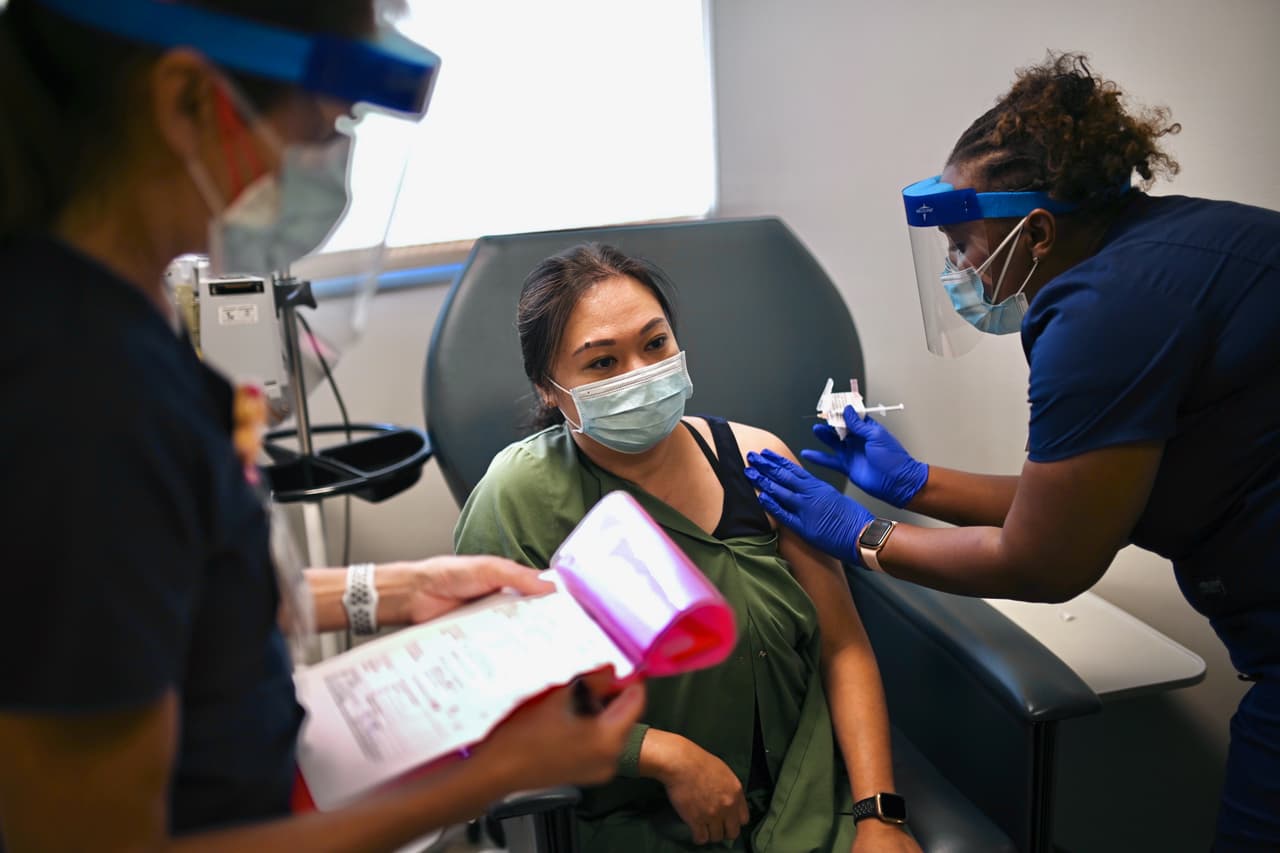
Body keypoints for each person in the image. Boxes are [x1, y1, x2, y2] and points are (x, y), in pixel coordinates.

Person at [0, 1, 644, 850]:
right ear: (189, 102)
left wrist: (398, 589)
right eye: (329, 120)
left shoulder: (107, 318)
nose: (332, 155)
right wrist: (487, 774)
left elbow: (153, 603)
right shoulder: (83, 395)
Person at [745, 52, 1280, 852]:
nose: (959, 267)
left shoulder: (1105, 312)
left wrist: (863, 535)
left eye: (963, 244)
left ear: (1035, 230)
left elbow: (1047, 561)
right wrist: (915, 482)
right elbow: (1078, 497)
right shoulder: (1176, 246)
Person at [454, 243, 921, 853]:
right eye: (601, 363)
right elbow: (492, 687)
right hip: (640, 820)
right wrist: (662, 755)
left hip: (810, 797)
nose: (640, 375)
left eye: (654, 345)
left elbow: (842, 647)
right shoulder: (518, 497)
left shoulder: (756, 462)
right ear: (549, 389)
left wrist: (878, 816)